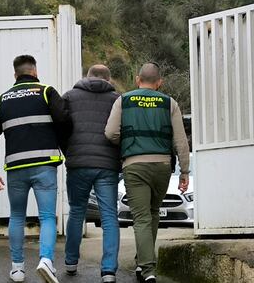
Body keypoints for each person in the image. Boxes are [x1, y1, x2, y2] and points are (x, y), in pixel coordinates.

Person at [0, 55, 71, 283]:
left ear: (15, 75)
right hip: (44, 165)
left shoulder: (3, 99)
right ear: (34, 71)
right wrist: (63, 147)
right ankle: (46, 261)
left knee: (17, 216)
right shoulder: (46, 91)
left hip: (16, 168)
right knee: (48, 216)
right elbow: (64, 121)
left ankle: (18, 269)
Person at [105, 63, 190, 283]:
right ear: (159, 82)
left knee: (141, 218)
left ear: (137, 79)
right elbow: (180, 141)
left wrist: (128, 143)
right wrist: (185, 171)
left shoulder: (123, 100)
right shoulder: (169, 103)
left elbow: (111, 133)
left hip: (135, 166)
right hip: (162, 166)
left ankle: (148, 268)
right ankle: (143, 262)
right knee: (152, 214)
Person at [63, 65, 121, 283]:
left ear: (86, 77)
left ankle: (70, 262)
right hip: (107, 165)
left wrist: (68, 151)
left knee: (77, 211)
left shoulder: (69, 97)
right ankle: (108, 271)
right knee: (109, 216)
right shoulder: (117, 99)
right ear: (109, 78)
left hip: (78, 163)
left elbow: (61, 126)